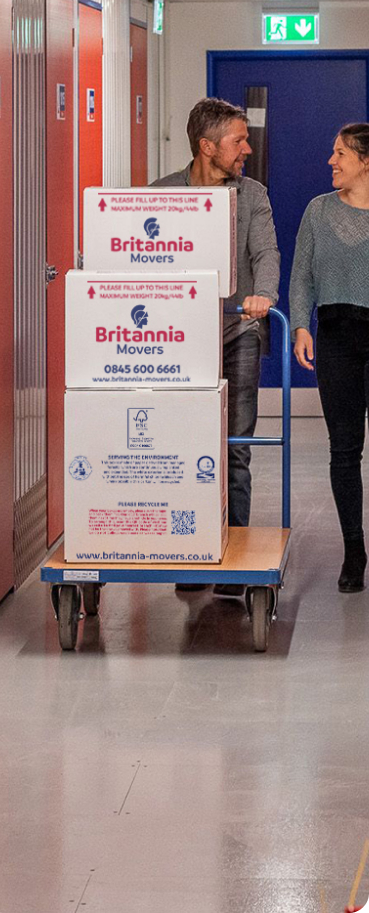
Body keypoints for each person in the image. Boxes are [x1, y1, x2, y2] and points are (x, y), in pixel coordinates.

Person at [152, 98, 280, 595]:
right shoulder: (161, 194)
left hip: (236, 333)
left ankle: (236, 562)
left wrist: (263, 295)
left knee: (234, 448)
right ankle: (191, 552)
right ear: (208, 147)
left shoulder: (251, 195)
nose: (247, 148)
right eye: (238, 140)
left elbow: (265, 251)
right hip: (177, 342)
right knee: (185, 447)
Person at [290, 123, 369, 593]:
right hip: (337, 337)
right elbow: (301, 276)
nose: (331, 161)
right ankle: (354, 550)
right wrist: (302, 324)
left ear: (365, 161)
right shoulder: (318, 211)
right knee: (344, 451)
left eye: (340, 153)